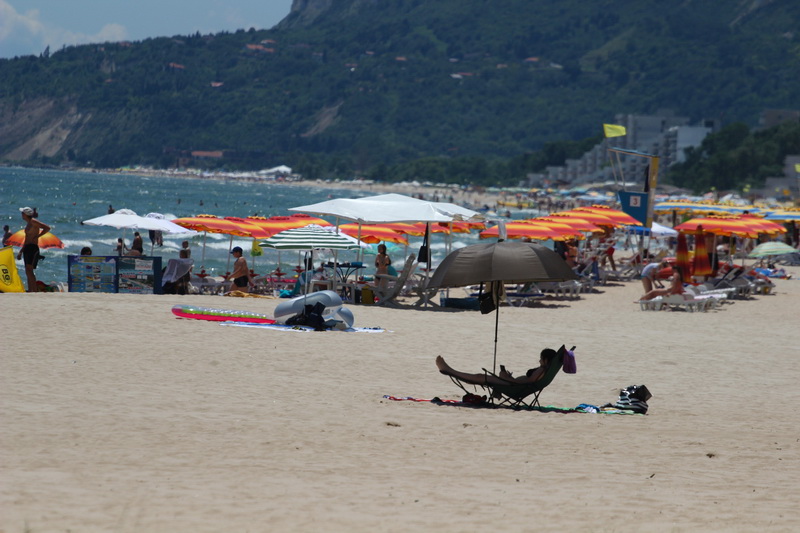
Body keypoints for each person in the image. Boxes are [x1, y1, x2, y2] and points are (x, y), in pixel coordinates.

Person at [435, 348, 558, 388]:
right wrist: (508, 377)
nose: (539, 360)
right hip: (512, 384)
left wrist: (508, 379)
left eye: (541, 358)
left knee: (480, 377)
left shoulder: (541, 369)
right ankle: (449, 370)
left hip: (513, 386)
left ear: (546, 360)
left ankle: (448, 370)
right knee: (480, 377)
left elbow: (527, 382)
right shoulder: (545, 370)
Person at [16, 206, 51, 292]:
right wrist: (21, 251)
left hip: (33, 248)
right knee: (27, 270)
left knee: (30, 269)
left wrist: (38, 236)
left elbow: (47, 228)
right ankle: (31, 289)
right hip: (27, 247)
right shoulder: (28, 224)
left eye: (22, 213)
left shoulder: (33, 222)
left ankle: (34, 290)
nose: (21, 215)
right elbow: (27, 239)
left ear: (25, 214)